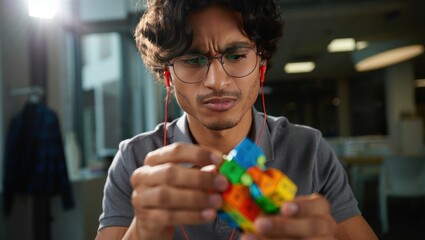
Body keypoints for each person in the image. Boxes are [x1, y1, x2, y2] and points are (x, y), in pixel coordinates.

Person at [96, 0, 378, 239]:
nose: (216, 82)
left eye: (236, 55)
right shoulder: (135, 158)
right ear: (168, 76)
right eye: (193, 60)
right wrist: (141, 231)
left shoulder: (308, 149)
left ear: (261, 65)